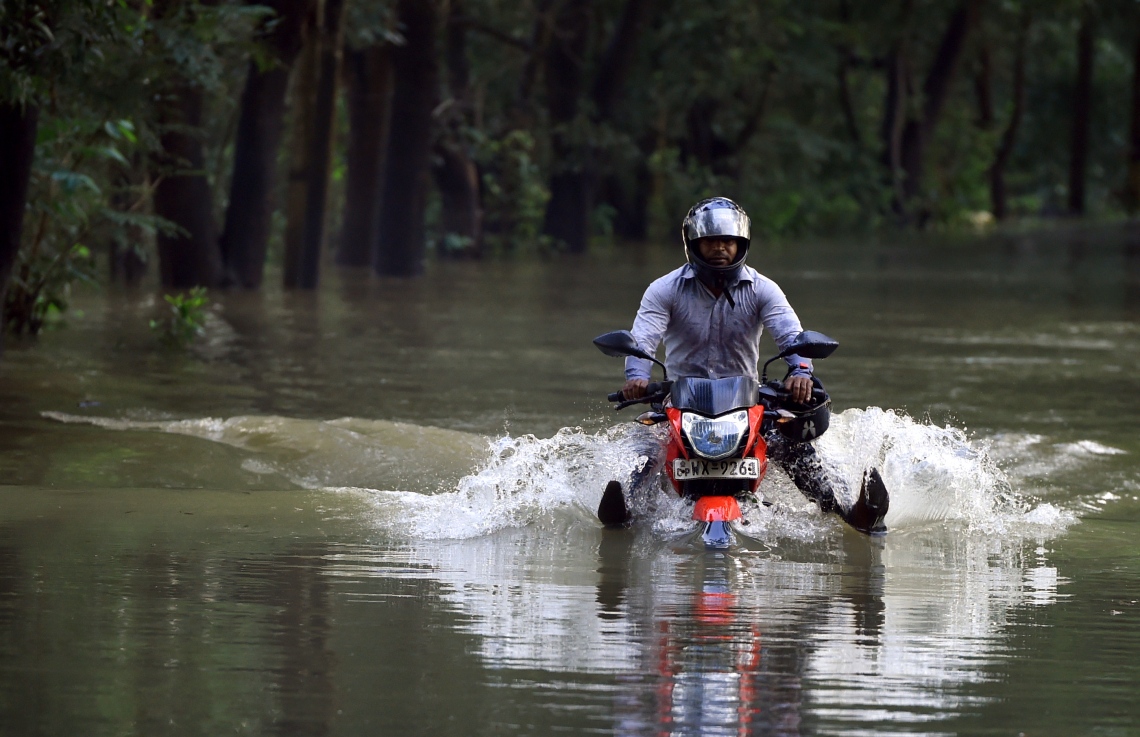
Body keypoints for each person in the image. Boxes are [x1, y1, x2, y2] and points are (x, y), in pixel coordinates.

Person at [611, 196, 888, 534]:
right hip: (678, 402)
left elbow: (792, 337)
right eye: (711, 241)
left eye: (728, 241)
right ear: (693, 245)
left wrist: (800, 372)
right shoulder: (664, 289)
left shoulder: (763, 289)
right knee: (642, 452)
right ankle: (621, 511)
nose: (720, 248)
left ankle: (846, 511)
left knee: (793, 448)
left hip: (745, 402)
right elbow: (641, 342)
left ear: (741, 244)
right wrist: (637, 378)